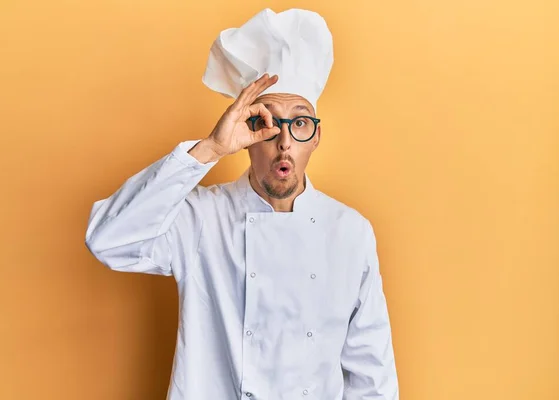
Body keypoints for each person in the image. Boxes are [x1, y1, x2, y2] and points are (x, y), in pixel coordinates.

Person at [85, 7, 399, 400]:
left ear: (316, 137)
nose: (284, 142)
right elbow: (107, 240)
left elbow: (372, 375)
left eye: (300, 123)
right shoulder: (201, 218)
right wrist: (210, 149)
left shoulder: (350, 232)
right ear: (246, 131)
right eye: (266, 122)